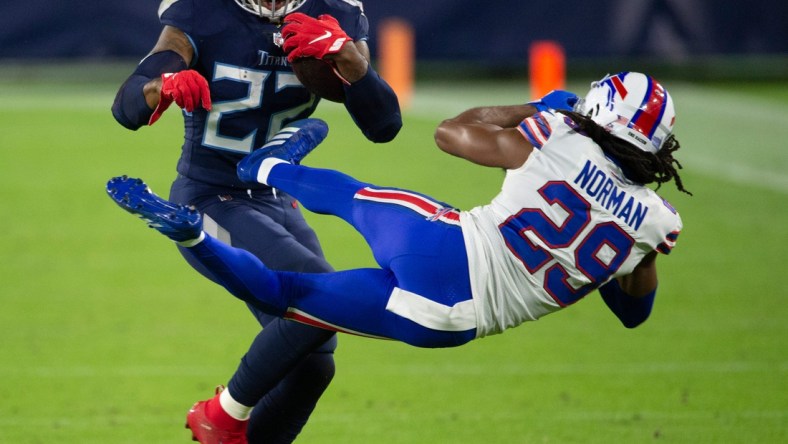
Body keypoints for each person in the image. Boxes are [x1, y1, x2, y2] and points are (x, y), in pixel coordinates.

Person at [108, 72, 687, 360]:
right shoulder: (655, 225)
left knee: (354, 197)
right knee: (290, 295)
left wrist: (535, 109)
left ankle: (266, 170)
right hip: (448, 324)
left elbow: (452, 133)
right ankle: (192, 234)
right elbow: (634, 312)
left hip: (449, 251)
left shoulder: (561, 139)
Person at [110, 1, 402, 443]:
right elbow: (127, 106)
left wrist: (347, 58)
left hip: (274, 198)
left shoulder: (333, 10)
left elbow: (385, 125)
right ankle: (221, 414)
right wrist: (163, 87)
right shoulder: (200, 11)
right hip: (210, 195)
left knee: (315, 361)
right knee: (321, 292)